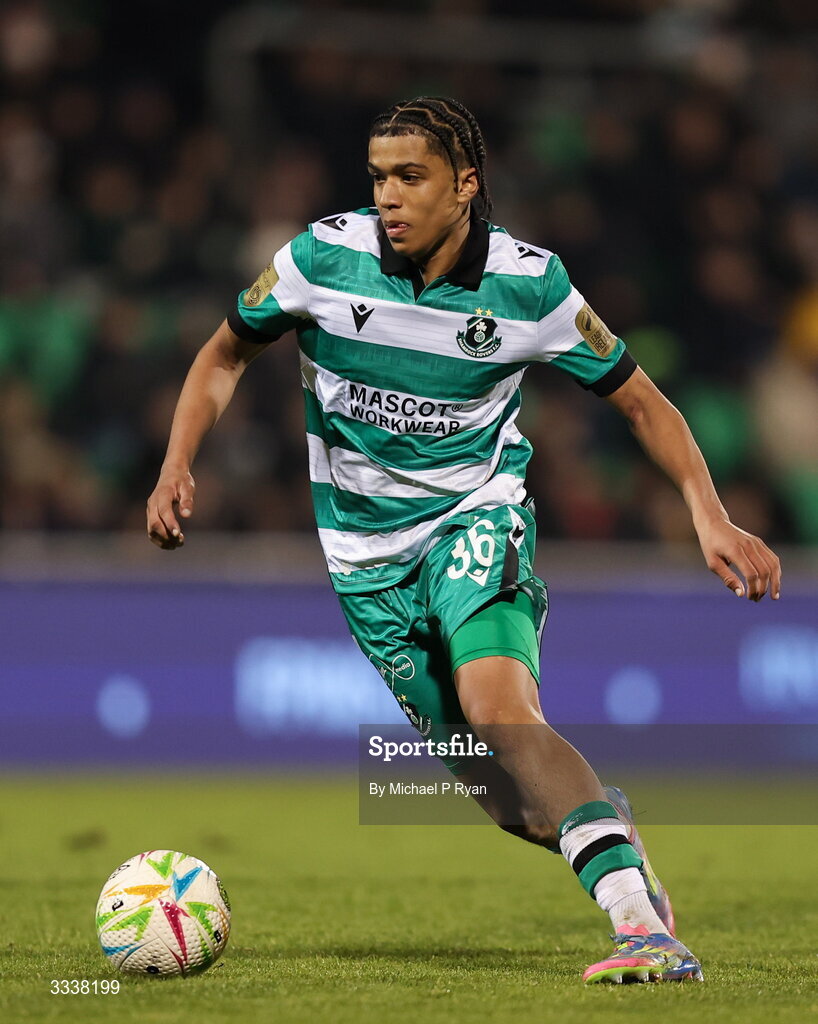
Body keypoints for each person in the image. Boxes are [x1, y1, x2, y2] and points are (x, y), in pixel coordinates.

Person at [146, 97, 781, 984]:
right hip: (365, 562)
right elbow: (222, 355)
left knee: (502, 714)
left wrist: (707, 512)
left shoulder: (531, 285)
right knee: (513, 803)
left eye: (411, 177)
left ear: (467, 185)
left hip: (474, 516)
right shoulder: (323, 259)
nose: (389, 198)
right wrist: (178, 462)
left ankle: (642, 928)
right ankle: (604, 824)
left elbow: (642, 401)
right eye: (378, 178)